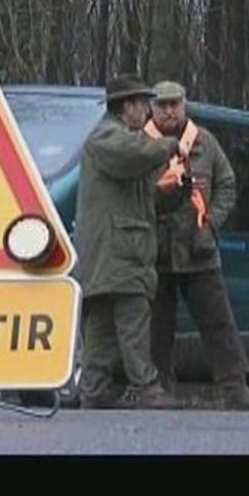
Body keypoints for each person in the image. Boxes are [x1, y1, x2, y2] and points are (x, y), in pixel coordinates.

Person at [145, 81, 249, 410]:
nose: (170, 111)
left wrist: (212, 223)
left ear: (185, 105)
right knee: (158, 326)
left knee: (219, 321)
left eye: (175, 104)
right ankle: (160, 388)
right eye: (163, 105)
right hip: (158, 249)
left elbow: (227, 184)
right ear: (152, 109)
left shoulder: (205, 142)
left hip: (200, 248)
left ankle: (235, 387)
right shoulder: (141, 143)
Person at [74, 74, 184, 409]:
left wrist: (174, 195)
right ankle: (147, 387)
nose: (148, 112)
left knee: (103, 327)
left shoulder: (119, 138)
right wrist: (169, 144)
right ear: (128, 106)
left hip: (117, 251)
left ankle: (93, 389)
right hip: (119, 250)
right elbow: (133, 157)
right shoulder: (108, 137)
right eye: (143, 104)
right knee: (133, 321)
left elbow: (140, 194)